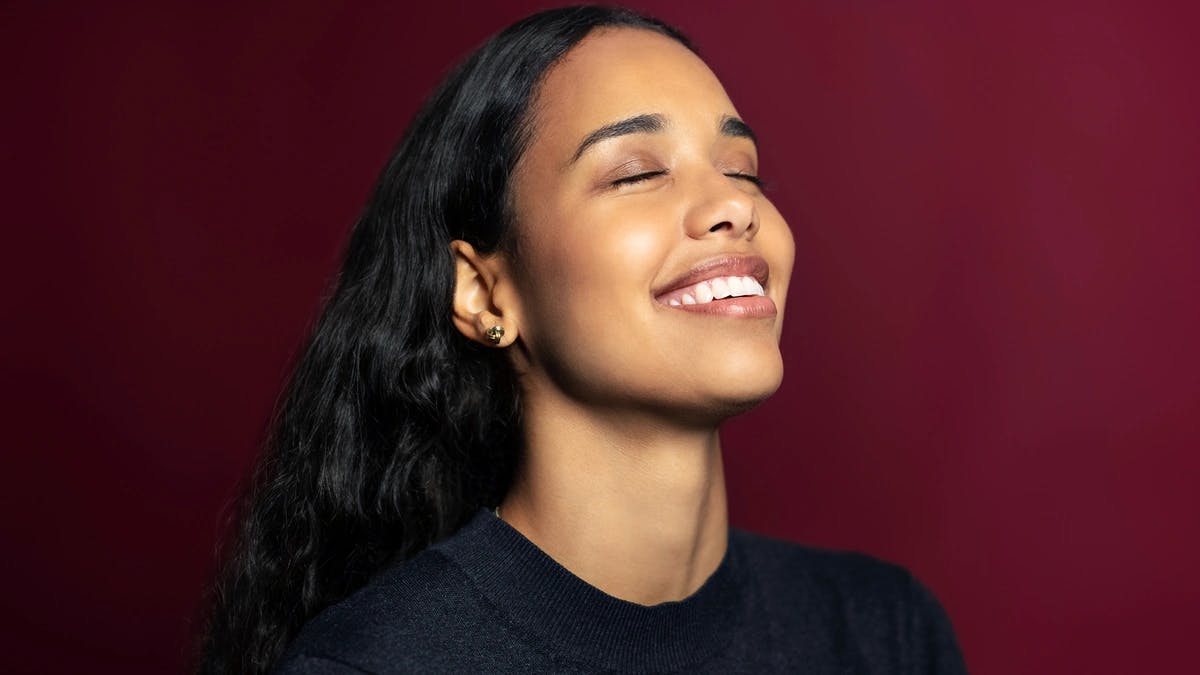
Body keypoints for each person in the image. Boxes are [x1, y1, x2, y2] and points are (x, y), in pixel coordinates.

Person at [198, 6, 967, 674]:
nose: (733, 205)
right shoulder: (370, 663)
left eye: (743, 169)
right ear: (484, 291)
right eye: (635, 172)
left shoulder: (885, 632)